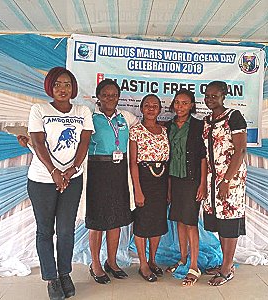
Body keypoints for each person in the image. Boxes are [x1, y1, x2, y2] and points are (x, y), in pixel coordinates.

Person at [27, 67, 94, 300]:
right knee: (45, 231)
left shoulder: (82, 110)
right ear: (50, 87)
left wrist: (72, 170)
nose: (62, 89)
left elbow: (84, 142)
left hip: (72, 179)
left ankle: (65, 273)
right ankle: (51, 278)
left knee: (66, 230)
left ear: (73, 87)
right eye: (57, 84)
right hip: (42, 180)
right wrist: (54, 171)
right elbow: (38, 142)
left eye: (66, 84)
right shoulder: (39, 109)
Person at [85, 79, 138, 284]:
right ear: (98, 97)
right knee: (97, 221)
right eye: (105, 95)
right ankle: (95, 264)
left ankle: (112, 261)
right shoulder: (90, 116)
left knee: (115, 219)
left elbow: (143, 131)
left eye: (113, 95)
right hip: (97, 171)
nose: (110, 98)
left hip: (119, 171)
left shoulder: (125, 117)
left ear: (118, 97)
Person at [202, 81, 247, 286]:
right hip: (213, 180)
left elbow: (240, 151)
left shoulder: (233, 117)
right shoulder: (206, 120)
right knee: (220, 222)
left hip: (231, 180)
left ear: (223, 96)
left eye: (214, 96)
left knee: (229, 222)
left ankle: (228, 269)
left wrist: (227, 180)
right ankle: (224, 263)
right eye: (207, 96)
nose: (210, 99)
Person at [165, 89, 207, 286]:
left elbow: (203, 156)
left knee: (190, 222)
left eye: (185, 103)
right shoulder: (168, 126)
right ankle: (182, 259)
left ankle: (194, 265)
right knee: (179, 221)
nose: (180, 106)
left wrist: (203, 183)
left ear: (192, 105)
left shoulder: (198, 126)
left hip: (192, 181)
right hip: (174, 179)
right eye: (177, 102)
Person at [129, 94, 170, 282]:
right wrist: (137, 189)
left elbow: (168, 162)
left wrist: (169, 189)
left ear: (160, 109)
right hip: (143, 179)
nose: (151, 108)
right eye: (147, 105)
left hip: (161, 181)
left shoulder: (164, 131)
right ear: (142, 108)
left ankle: (153, 260)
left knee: (158, 223)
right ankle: (143, 264)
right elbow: (132, 163)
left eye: (155, 105)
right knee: (142, 223)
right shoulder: (135, 130)